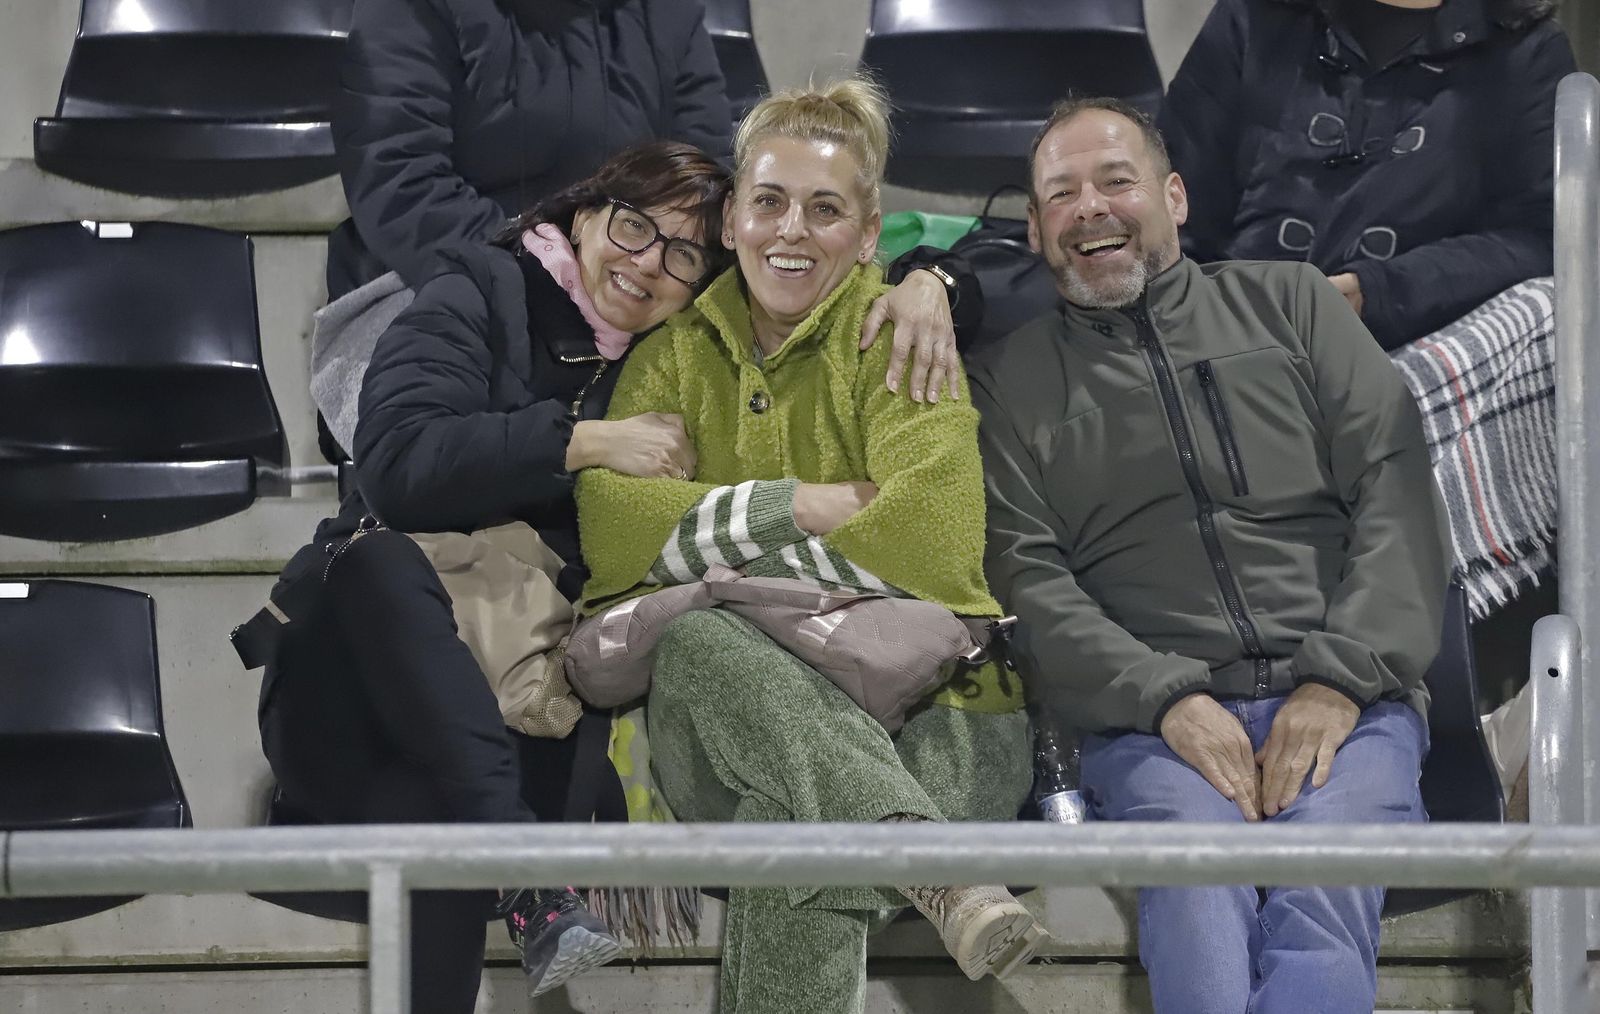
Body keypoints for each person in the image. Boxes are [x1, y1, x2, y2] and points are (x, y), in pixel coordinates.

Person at [971, 97, 1451, 1014]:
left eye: (1117, 181)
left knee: (1323, 895)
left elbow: (1395, 484)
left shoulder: (1295, 303)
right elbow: (1026, 580)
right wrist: (1167, 699)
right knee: (1196, 904)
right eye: (1062, 193)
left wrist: (1340, 680)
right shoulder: (1006, 384)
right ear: (1033, 229)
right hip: (1150, 726)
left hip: (1353, 703)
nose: (1091, 208)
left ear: (1175, 197)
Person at [575, 79, 1046, 1014]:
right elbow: (616, 532)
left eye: (825, 210)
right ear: (732, 220)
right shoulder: (671, 353)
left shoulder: (903, 339)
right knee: (699, 642)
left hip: (944, 718)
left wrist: (719, 567)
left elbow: (934, 541)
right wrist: (803, 507)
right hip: (728, 723)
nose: (792, 230)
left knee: (791, 829)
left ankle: (898, 834)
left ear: (868, 235)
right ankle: (929, 862)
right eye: (770, 201)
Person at [254, 142, 730, 1014]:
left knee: (434, 808)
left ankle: (516, 865)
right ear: (584, 215)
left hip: (518, 705)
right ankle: (522, 862)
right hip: (353, 691)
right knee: (374, 561)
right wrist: (580, 443)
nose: (648, 263)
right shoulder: (478, 289)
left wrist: (929, 283)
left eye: (684, 254)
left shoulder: (676, 366)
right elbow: (397, 465)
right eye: (634, 227)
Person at [324, 0, 968, 417]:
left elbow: (710, 184)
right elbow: (399, 182)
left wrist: (927, 277)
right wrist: (554, 277)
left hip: (633, 281)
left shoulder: (665, 11)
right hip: (446, 283)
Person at [1160, 0, 1576, 619]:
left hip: (1413, 352)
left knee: (1546, 314)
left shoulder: (1524, 48)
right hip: (1232, 343)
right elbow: (1173, 208)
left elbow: (1539, 239)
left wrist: (1375, 291)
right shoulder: (1255, 17)